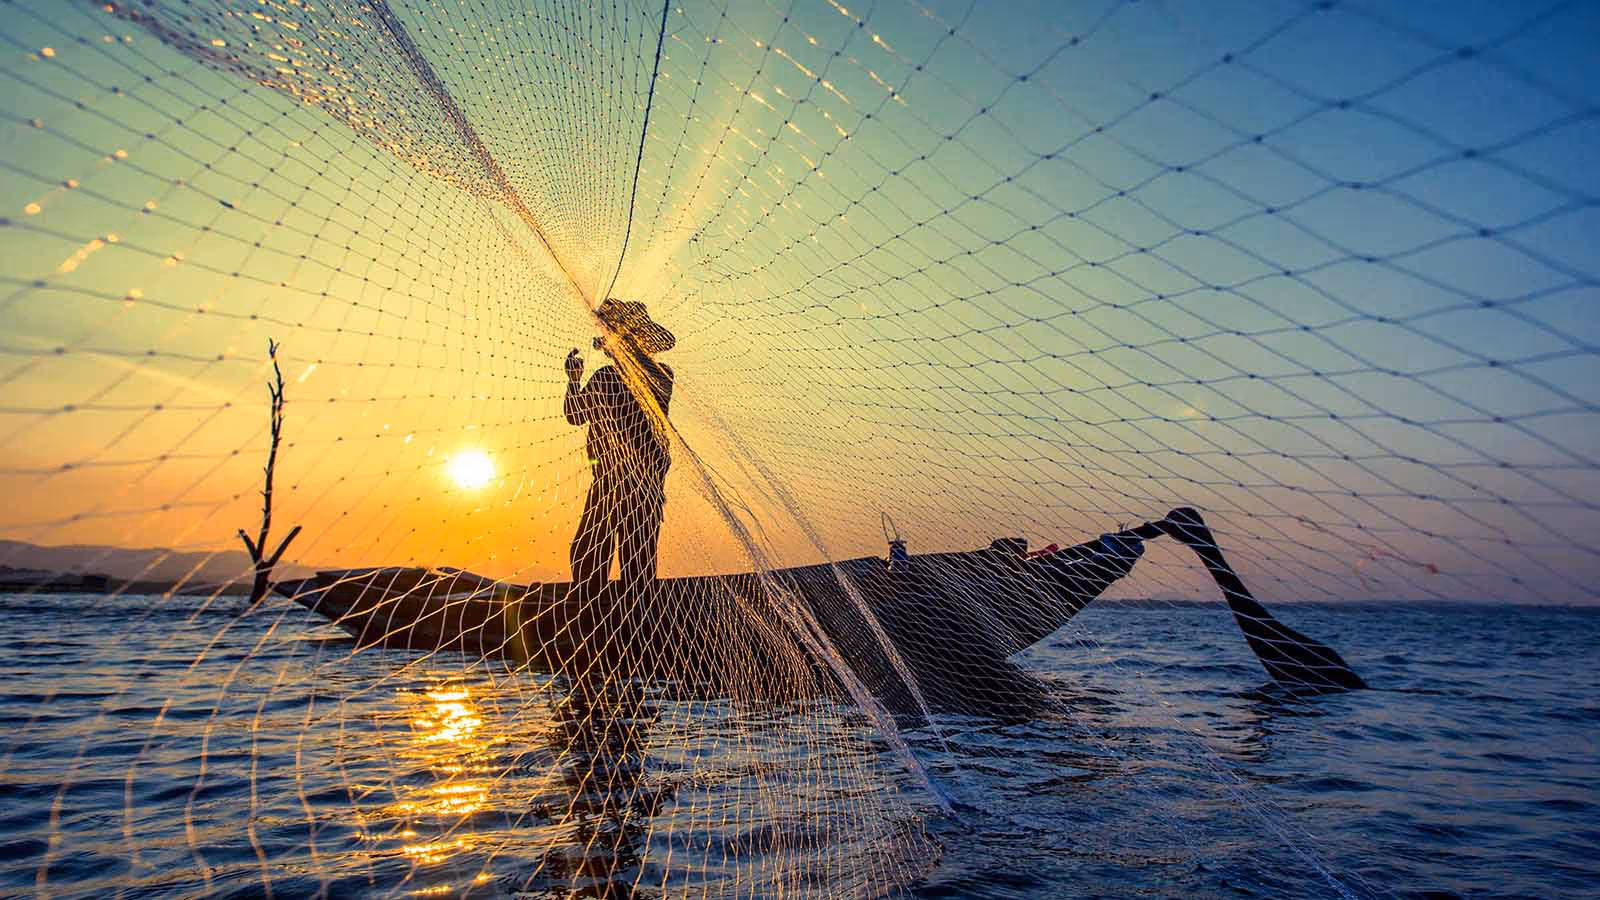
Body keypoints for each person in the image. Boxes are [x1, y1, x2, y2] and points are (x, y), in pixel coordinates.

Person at [563, 299, 675, 602]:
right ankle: (635, 623)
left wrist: (573, 380)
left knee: (590, 554)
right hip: (645, 487)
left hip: (611, 484)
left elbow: (575, 414)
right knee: (636, 561)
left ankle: (595, 619)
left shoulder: (609, 377)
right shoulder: (662, 376)